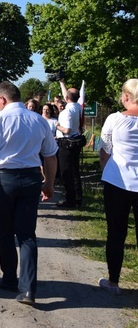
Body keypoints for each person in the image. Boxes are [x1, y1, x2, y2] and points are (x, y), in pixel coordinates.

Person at [0, 81, 58, 305]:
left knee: (5, 230)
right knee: (27, 234)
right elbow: (50, 155)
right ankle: (29, 288)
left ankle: (10, 278)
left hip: (4, 178)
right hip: (31, 178)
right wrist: (49, 183)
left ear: (2, 100)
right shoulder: (39, 120)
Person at [97, 78, 138, 295]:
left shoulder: (115, 119)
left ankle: (113, 281)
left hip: (117, 181)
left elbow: (104, 149)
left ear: (127, 97)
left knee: (116, 233)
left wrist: (105, 168)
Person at [55, 80, 84, 208]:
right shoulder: (77, 107)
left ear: (67, 98)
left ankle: (70, 199)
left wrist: (57, 125)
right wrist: (62, 82)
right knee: (74, 171)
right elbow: (68, 96)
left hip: (67, 143)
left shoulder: (66, 112)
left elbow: (67, 130)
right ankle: (77, 198)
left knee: (66, 172)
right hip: (75, 142)